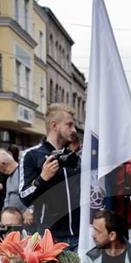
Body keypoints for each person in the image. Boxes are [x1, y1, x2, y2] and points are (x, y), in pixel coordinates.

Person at [19, 104, 82, 250]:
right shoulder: (32, 155)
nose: (73, 130)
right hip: (51, 238)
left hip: (79, 236)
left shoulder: (74, 157)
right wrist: (42, 178)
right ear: (54, 125)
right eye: (69, 125)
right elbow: (24, 195)